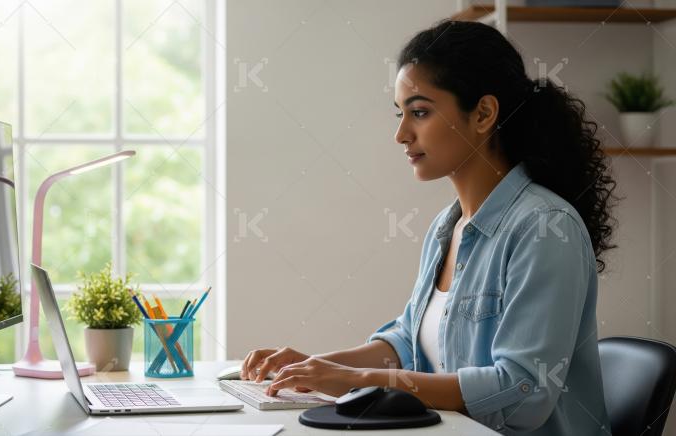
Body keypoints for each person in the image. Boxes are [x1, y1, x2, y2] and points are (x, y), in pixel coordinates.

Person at [240, 19, 618, 435]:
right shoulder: (448, 226)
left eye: (419, 112)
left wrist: (357, 381)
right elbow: (408, 344)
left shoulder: (545, 229)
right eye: (401, 114)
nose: (401, 134)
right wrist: (317, 365)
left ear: (484, 114)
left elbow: (522, 391)